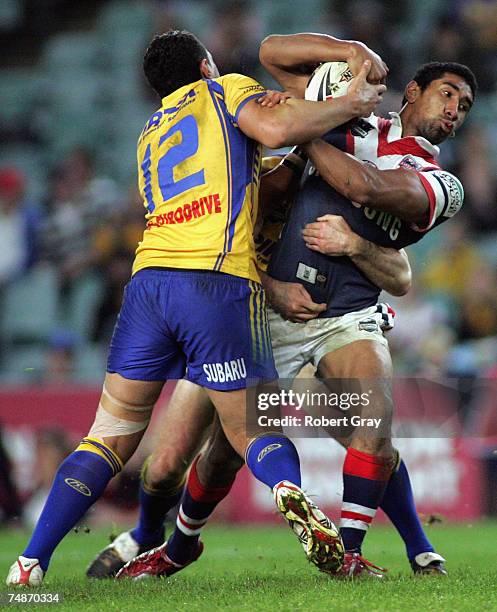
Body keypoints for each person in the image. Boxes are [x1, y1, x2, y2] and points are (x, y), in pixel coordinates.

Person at [6, 30, 387, 587]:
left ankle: (29, 565)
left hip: (147, 285)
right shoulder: (224, 90)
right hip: (215, 283)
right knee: (253, 429)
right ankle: (288, 492)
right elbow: (277, 128)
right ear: (207, 65)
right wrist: (348, 104)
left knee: (107, 436)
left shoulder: (150, 131)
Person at [111, 36, 476, 580]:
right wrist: (350, 52)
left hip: (345, 315)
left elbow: (365, 189)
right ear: (414, 91)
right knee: (189, 459)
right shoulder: (347, 113)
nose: (454, 112)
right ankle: (164, 542)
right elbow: (273, 51)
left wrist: (310, 142)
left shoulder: (442, 183)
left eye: (465, 107)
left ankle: (351, 553)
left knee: (372, 423)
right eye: (447, 95)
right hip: (262, 305)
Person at [87, 151, 410, 579]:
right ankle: (147, 534)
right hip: (224, 333)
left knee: (364, 427)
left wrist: (357, 279)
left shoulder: (327, 190)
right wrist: (274, 289)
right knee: (167, 466)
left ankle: (416, 546)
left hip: (289, 338)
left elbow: (397, 271)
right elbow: (204, 262)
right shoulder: (238, 193)